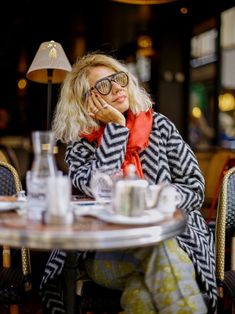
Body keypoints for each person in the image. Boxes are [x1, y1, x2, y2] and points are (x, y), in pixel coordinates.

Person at [40, 52, 217, 313]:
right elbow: (99, 188)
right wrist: (116, 129)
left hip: (175, 240)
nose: (116, 88)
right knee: (163, 255)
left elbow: (194, 186)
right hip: (106, 251)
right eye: (103, 85)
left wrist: (152, 200)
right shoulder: (80, 146)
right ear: (85, 100)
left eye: (118, 79)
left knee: (143, 295)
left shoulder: (161, 128)